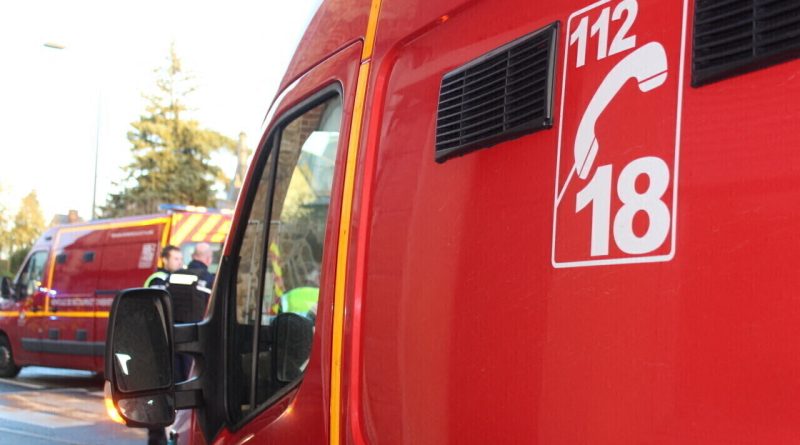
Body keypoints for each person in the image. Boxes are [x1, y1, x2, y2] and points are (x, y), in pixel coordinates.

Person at [143, 245, 182, 445]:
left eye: (180, 258)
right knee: (159, 399)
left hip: (169, 347)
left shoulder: (175, 279)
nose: (179, 262)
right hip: (157, 348)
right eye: (175, 258)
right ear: (164, 259)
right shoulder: (157, 280)